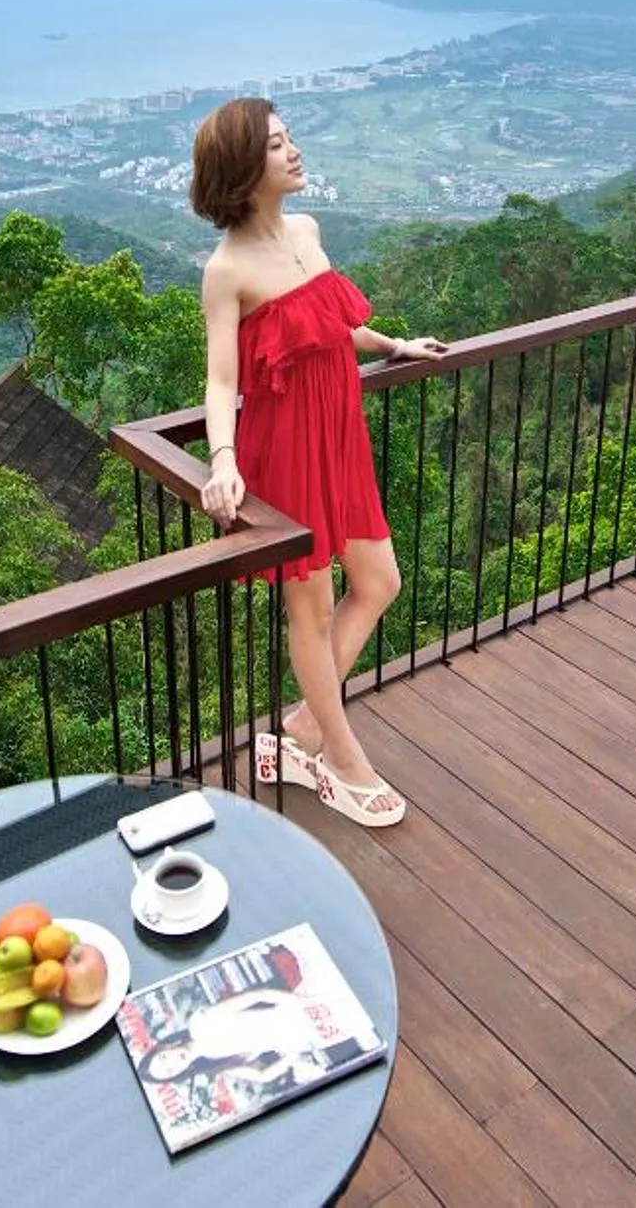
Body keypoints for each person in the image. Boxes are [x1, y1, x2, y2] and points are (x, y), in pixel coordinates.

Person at [190, 97, 447, 827]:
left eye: (289, 138)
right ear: (243, 170)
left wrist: (393, 345)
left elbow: (332, 325)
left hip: (340, 437)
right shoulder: (227, 269)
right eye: (276, 145)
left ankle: (304, 729)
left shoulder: (307, 231)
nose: (294, 151)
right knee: (313, 608)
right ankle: (340, 757)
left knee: (380, 581)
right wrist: (223, 461)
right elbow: (221, 381)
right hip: (286, 453)